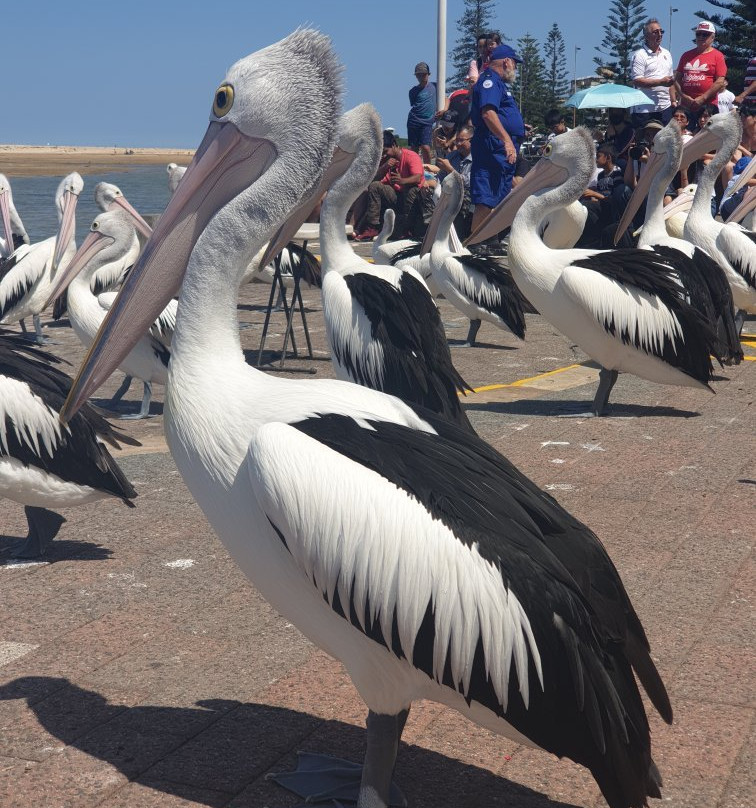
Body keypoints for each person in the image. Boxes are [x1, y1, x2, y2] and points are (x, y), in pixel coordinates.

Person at [469, 43, 526, 249]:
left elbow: (499, 114)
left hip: (500, 150)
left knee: (498, 195)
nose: (515, 69)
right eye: (515, 65)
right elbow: (488, 113)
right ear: (507, 62)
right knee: (486, 194)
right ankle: (476, 240)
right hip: (492, 147)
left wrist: (516, 127)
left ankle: (490, 238)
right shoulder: (490, 81)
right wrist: (507, 139)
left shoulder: (499, 84)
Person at [353, 133, 424, 242]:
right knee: (375, 186)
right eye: (382, 153)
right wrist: (385, 167)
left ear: (394, 145)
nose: (384, 155)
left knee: (411, 190)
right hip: (397, 196)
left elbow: (418, 178)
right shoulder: (388, 161)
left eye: (386, 151)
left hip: (412, 197)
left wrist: (403, 181)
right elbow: (374, 181)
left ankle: (408, 228)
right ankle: (372, 227)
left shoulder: (411, 156)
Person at [674, 20, 727, 127]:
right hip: (686, 106)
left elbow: (720, 81)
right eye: (699, 34)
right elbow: (677, 78)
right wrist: (683, 96)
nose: (701, 37)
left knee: (707, 136)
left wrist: (702, 98)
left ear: (713, 37)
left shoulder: (718, 56)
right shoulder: (686, 55)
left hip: (707, 106)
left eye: (705, 34)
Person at [630, 18, 677, 127]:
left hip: (665, 108)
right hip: (644, 110)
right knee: (645, 142)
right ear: (646, 36)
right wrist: (660, 82)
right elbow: (637, 81)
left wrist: (673, 101)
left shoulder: (667, 54)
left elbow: (670, 81)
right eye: (655, 32)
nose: (660, 35)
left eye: (661, 31)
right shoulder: (639, 55)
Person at [433, 125, 475, 237]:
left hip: (468, 194)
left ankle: (458, 235)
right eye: (456, 140)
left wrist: (450, 170)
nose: (458, 144)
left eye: (461, 140)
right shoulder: (452, 156)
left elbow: (469, 182)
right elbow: (440, 177)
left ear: (472, 140)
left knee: (460, 197)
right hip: (448, 191)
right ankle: (428, 231)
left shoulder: (478, 158)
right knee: (426, 191)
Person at [408, 62, 437, 163]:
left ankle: (428, 168)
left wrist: (444, 109)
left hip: (427, 122)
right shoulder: (413, 91)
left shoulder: (435, 86)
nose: (421, 77)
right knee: (414, 148)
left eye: (424, 74)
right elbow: (413, 105)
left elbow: (445, 98)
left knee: (426, 147)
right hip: (414, 120)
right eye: (419, 74)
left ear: (428, 74)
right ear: (416, 76)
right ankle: (415, 168)